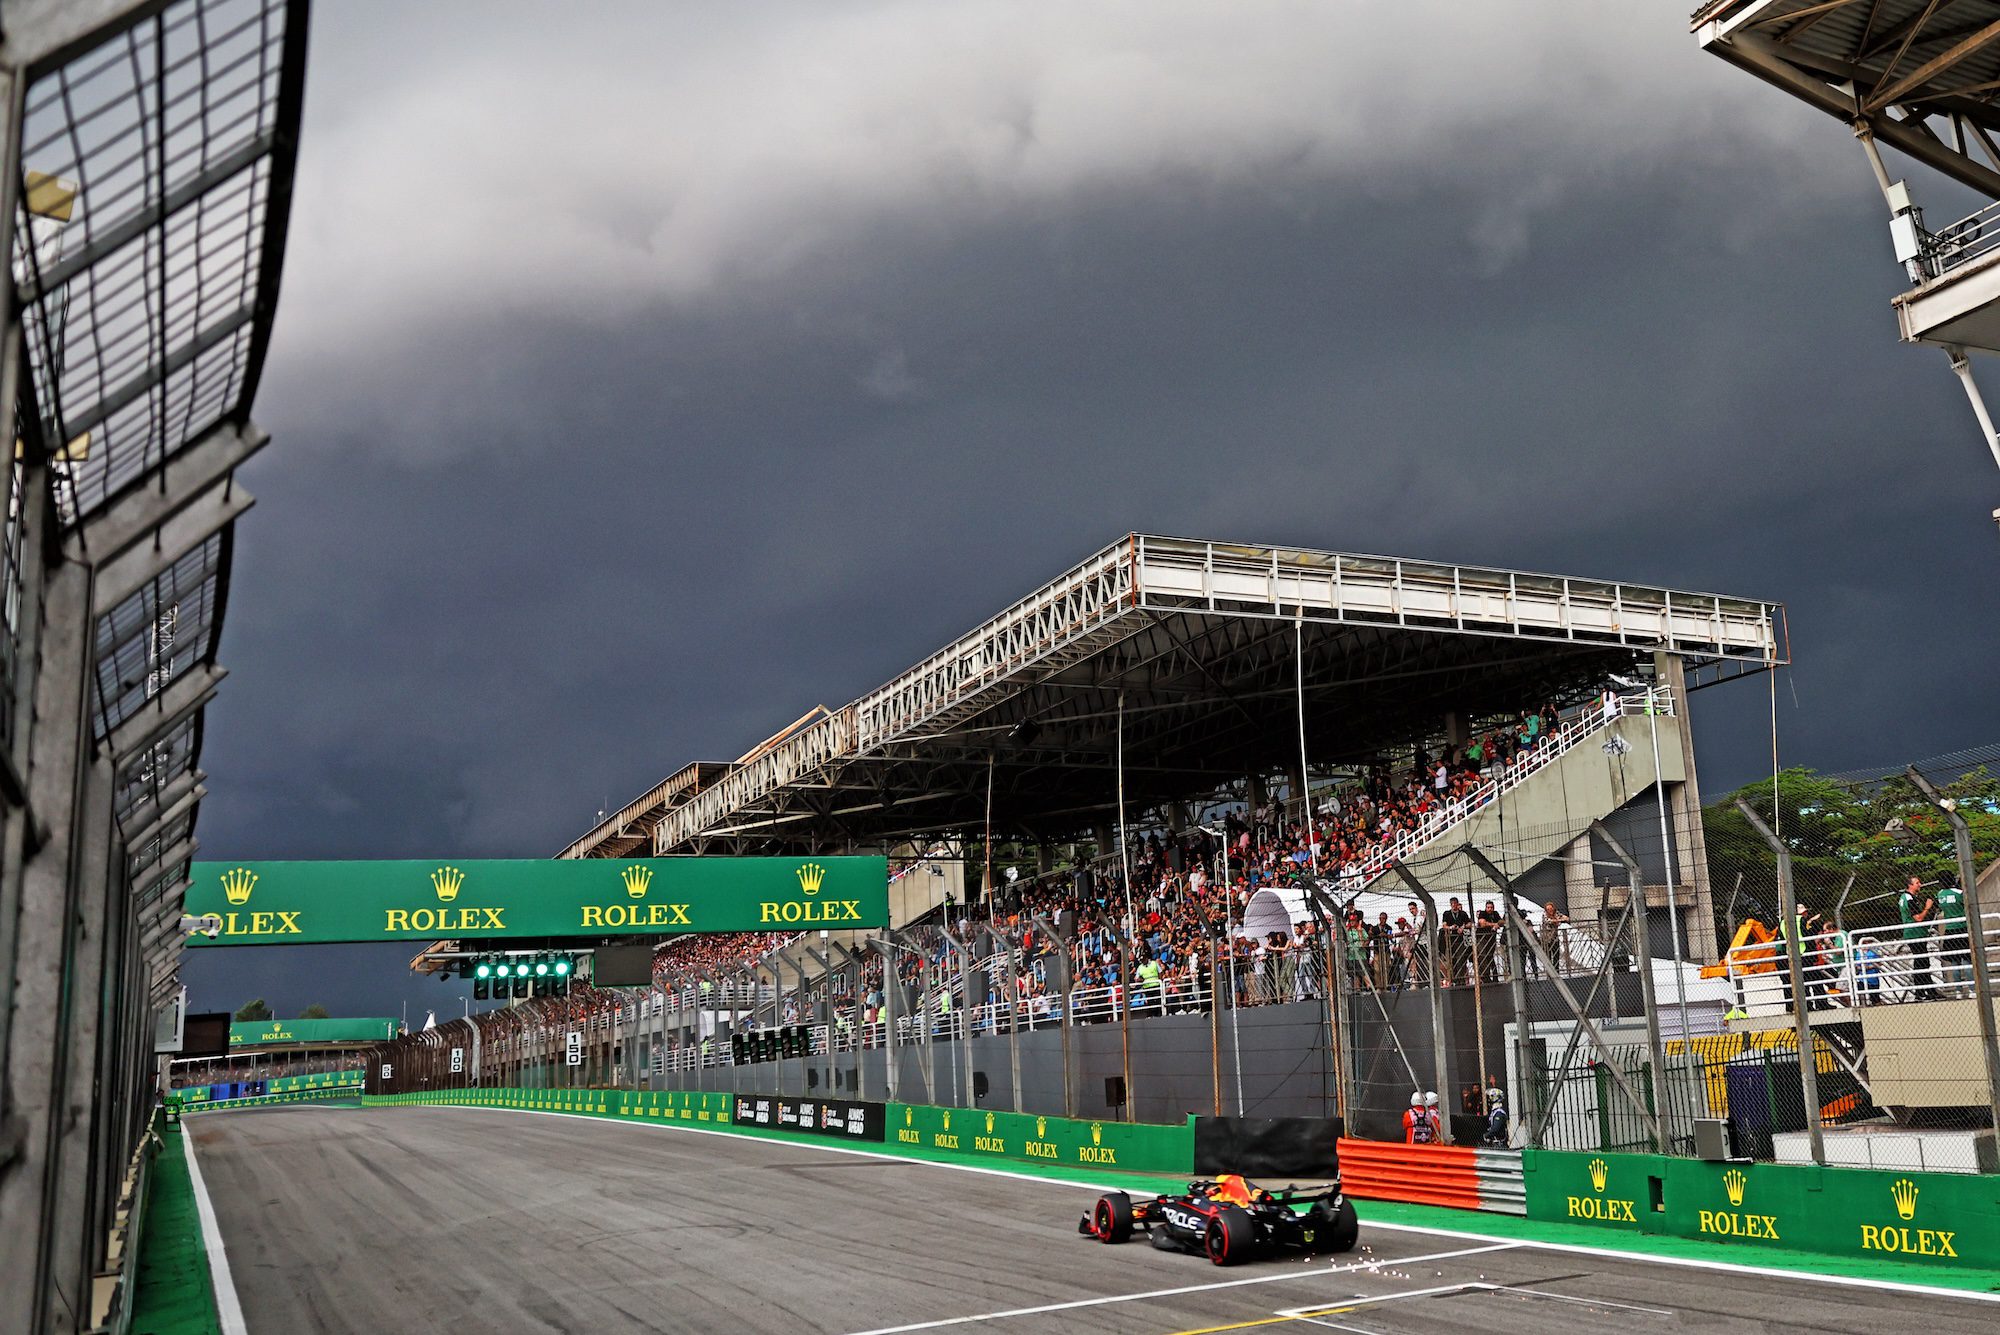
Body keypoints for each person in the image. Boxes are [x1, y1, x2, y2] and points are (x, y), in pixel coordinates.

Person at [1897, 876, 1936, 1001]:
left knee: (1923, 961)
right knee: (1921, 962)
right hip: (1915, 933)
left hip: (1916, 933)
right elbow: (1918, 918)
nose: (1920, 884)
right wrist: (1927, 907)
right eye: (1917, 883)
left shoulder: (1908, 897)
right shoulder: (1909, 898)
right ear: (1910, 885)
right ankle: (1920, 992)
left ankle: (1930, 991)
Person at [1934, 879, 1968, 996]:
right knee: (1967, 960)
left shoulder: (1940, 894)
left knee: (1954, 962)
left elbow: (1938, 906)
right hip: (1962, 927)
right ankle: (1973, 990)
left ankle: (1958, 991)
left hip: (1950, 929)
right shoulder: (1959, 893)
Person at [1481, 1077, 1508, 1147]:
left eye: (1489, 1098)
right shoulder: (1494, 1112)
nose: (1488, 1100)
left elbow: (1496, 1129)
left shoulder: (1499, 1113)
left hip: (1500, 1144)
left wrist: (1487, 1135)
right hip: (1495, 1142)